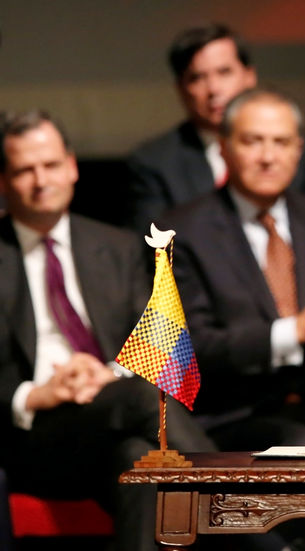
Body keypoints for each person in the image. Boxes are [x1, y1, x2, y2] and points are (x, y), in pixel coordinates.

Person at [0, 110, 217, 551]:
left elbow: (160, 345)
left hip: (113, 420)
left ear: (73, 166)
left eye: (51, 165)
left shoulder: (116, 247)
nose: (42, 180)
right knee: (142, 398)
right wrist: (33, 395)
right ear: (2, 181)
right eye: (25, 170)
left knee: (142, 465)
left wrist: (108, 375)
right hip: (31, 435)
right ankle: (251, 514)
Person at [158, 86, 305, 452]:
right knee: (302, 446)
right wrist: (296, 330)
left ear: (298, 151)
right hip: (234, 416)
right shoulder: (183, 232)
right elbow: (192, 349)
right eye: (253, 141)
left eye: (281, 143)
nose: (268, 157)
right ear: (223, 147)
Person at [125, 23, 305, 235]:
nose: (214, 89)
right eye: (197, 77)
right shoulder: (155, 162)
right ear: (180, 88)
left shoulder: (293, 150)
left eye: (224, 72)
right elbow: (153, 249)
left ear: (250, 76)